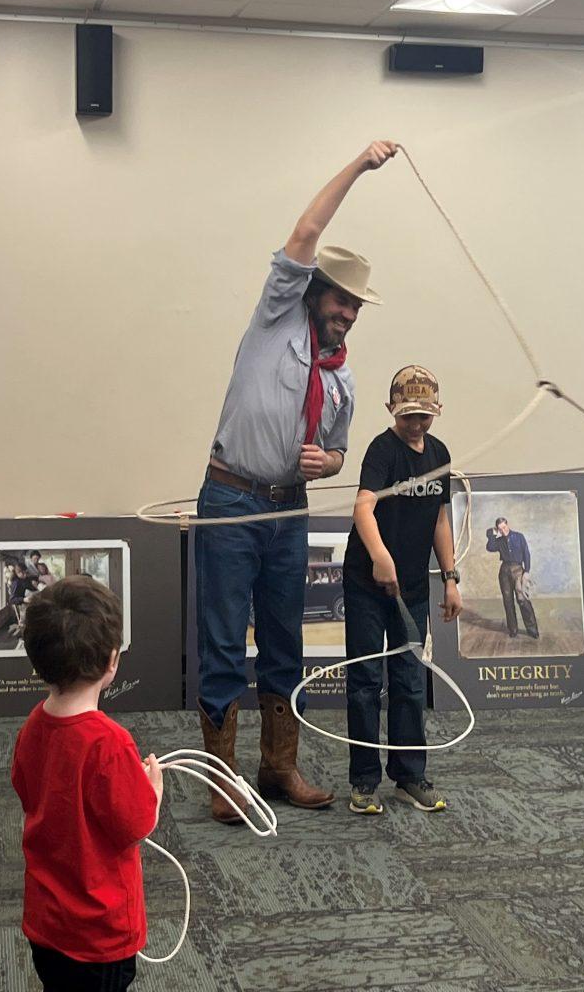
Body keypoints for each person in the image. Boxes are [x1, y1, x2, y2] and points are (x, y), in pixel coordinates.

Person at [196, 140, 398, 822]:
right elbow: (306, 233)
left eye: (356, 307)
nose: (347, 313)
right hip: (230, 496)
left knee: (285, 638)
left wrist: (330, 465)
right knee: (225, 639)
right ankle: (222, 779)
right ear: (316, 292)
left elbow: (337, 452)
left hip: (288, 510)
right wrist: (361, 166)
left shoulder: (342, 376)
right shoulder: (276, 316)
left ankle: (278, 766)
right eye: (341, 300)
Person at [11, 577, 163, 992]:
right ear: (112, 661)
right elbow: (136, 825)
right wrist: (154, 790)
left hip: (45, 922)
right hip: (100, 936)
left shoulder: (32, 726)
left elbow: (25, 788)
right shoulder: (110, 743)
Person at [342, 366, 462, 816]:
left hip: (412, 588)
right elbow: (363, 506)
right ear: (392, 409)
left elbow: (439, 520)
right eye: (408, 415)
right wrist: (380, 556)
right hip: (367, 586)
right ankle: (364, 781)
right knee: (366, 681)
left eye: (424, 417)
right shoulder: (382, 450)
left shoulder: (440, 454)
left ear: (437, 412)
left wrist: (450, 578)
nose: (415, 424)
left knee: (411, 681)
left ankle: (410, 776)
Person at [485, 517, 539, 639]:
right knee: (508, 601)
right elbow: (490, 547)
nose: (503, 531)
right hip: (504, 571)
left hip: (518, 570)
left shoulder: (519, 536)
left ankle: (532, 630)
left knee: (522, 599)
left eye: (504, 527)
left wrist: (527, 571)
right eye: (500, 529)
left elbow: (526, 553)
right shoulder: (498, 541)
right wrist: (492, 534)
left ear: (508, 525)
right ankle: (513, 629)